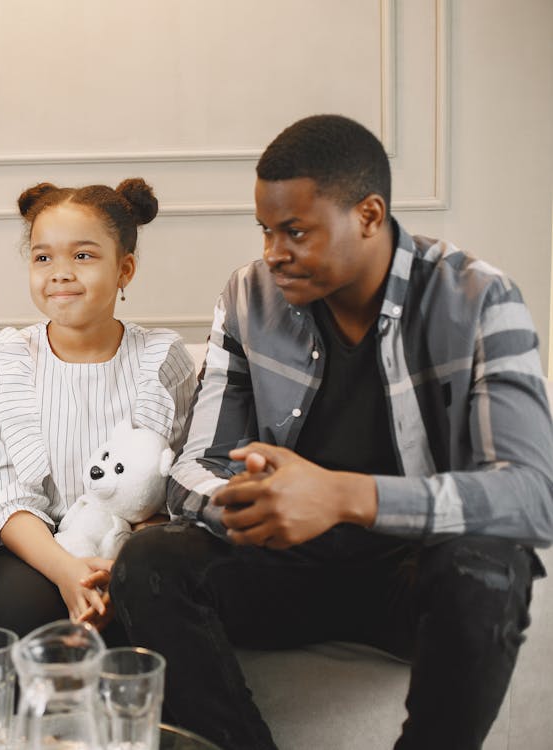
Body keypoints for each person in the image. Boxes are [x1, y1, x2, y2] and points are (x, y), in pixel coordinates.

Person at [110, 114, 553, 750]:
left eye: (295, 232)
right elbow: (193, 465)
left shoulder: (478, 299)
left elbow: (531, 495)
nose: (272, 253)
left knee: (489, 564)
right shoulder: (246, 296)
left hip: (408, 568)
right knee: (150, 560)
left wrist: (342, 497)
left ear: (369, 215)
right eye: (265, 230)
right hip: (283, 562)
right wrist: (257, 504)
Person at [0, 179, 198, 641]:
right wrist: (66, 570)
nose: (59, 272)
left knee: (148, 604)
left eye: (82, 256)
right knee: (21, 613)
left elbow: (173, 483)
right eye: (42, 257)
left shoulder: (161, 359)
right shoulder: (7, 361)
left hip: (131, 540)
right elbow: (4, 499)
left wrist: (118, 564)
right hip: (35, 544)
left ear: (124, 270)